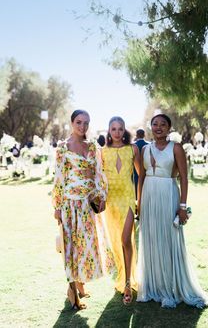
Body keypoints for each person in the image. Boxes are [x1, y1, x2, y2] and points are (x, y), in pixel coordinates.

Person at [137, 114, 208, 308]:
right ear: (150, 127)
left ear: (169, 127)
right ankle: (155, 286)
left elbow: (184, 179)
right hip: (149, 198)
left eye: (163, 124)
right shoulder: (145, 149)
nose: (158, 127)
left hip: (168, 195)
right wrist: (139, 203)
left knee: (169, 240)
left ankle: (172, 288)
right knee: (152, 239)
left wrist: (182, 206)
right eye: (155, 124)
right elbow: (142, 178)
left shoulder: (176, 148)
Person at [52, 109, 114, 310]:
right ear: (71, 123)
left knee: (85, 246)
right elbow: (59, 178)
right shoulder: (63, 147)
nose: (83, 126)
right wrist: (58, 207)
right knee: (70, 248)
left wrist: (101, 196)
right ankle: (72, 291)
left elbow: (98, 173)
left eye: (86, 123)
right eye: (79, 122)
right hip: (69, 203)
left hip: (87, 205)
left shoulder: (92, 146)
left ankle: (80, 282)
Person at [101, 116, 140, 305]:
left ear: (125, 130)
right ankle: (123, 277)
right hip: (111, 201)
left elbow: (142, 175)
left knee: (126, 239)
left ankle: (127, 283)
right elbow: (98, 178)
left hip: (127, 199)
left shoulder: (132, 149)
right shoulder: (102, 152)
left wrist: (139, 198)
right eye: (114, 129)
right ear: (109, 131)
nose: (117, 132)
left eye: (120, 129)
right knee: (117, 242)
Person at [133, 129, 148, 199]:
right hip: (146, 173)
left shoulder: (133, 146)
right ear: (144, 135)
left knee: (136, 194)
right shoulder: (148, 145)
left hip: (135, 173)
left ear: (136, 135)